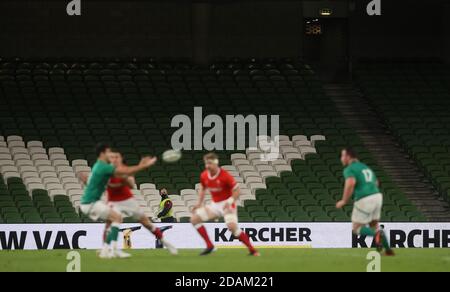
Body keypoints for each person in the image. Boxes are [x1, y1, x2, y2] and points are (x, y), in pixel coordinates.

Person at [79, 143, 157, 259]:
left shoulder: (99, 166)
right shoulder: (103, 167)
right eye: (108, 152)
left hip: (91, 202)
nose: (110, 155)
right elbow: (124, 172)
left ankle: (106, 251)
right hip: (91, 203)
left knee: (115, 219)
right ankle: (113, 250)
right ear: (102, 153)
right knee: (117, 218)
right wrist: (143, 165)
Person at [103, 151, 177, 255]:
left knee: (146, 222)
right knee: (111, 223)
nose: (115, 159)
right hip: (114, 201)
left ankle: (166, 243)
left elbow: (131, 184)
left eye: (117, 157)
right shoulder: (108, 172)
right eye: (113, 158)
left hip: (128, 200)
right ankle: (109, 249)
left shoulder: (125, 171)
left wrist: (134, 171)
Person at [190, 153, 259, 256]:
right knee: (194, 219)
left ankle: (252, 250)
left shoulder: (225, 175)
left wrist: (230, 201)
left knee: (232, 227)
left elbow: (237, 191)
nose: (207, 166)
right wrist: (199, 203)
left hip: (227, 204)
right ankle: (210, 246)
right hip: (215, 205)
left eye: (210, 163)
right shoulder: (204, 175)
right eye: (206, 163)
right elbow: (203, 188)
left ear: (216, 163)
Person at [336, 147, 394, 256]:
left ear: (348, 156)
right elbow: (376, 182)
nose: (341, 158)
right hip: (377, 196)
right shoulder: (365, 167)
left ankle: (377, 234)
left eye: (342, 156)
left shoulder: (350, 169)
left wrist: (344, 201)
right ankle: (388, 251)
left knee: (356, 228)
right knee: (374, 224)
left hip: (364, 198)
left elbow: (350, 183)